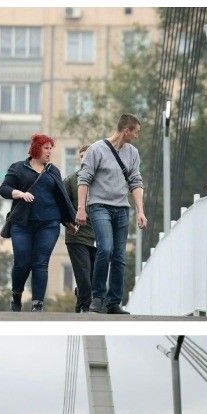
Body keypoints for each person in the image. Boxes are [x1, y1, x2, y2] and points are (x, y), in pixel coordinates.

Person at [75, 114, 148, 315]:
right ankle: (97, 297)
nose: (137, 136)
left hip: (122, 209)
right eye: (136, 132)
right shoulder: (96, 150)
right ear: (127, 131)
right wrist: (81, 208)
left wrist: (140, 211)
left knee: (119, 256)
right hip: (99, 207)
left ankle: (114, 302)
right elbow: (84, 179)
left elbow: (136, 182)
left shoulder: (132, 153)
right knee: (105, 249)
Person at [0, 134, 78, 312]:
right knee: (22, 262)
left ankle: (37, 305)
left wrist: (68, 221)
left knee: (40, 263)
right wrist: (19, 193)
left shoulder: (53, 171)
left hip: (48, 224)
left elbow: (62, 199)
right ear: (36, 149)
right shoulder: (18, 168)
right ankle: (17, 295)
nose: (50, 152)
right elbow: (4, 189)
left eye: (51, 148)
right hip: (22, 224)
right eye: (46, 148)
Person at [64, 145, 97, 313]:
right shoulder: (70, 181)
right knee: (83, 274)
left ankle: (81, 301)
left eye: (88, 155)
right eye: (82, 156)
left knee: (93, 276)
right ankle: (86, 308)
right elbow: (60, 205)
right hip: (76, 235)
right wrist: (68, 223)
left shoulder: (101, 180)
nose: (85, 158)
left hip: (98, 236)